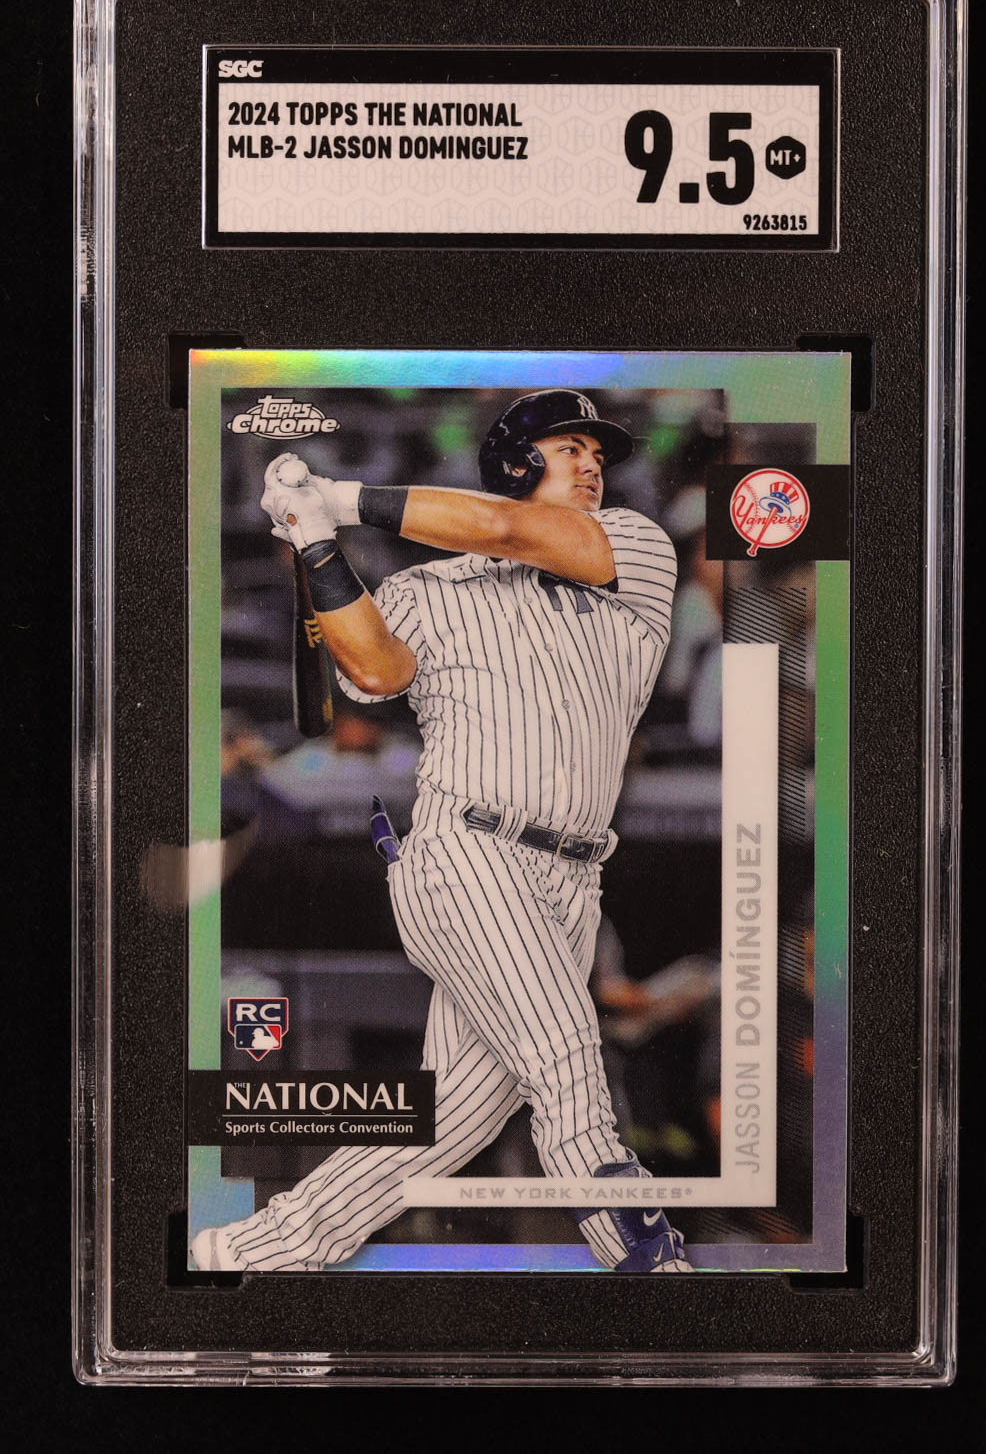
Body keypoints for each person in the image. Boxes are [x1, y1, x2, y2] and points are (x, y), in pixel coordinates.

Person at [191, 389, 692, 1274]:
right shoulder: (424, 587)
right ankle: (649, 1263)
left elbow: (504, 530)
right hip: (469, 854)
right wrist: (316, 543)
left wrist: (337, 499)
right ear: (514, 462)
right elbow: (375, 672)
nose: (590, 465)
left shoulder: (634, 546)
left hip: (574, 876)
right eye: (568, 449)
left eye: (597, 455)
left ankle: (248, 1250)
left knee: (452, 1117)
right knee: (566, 1066)